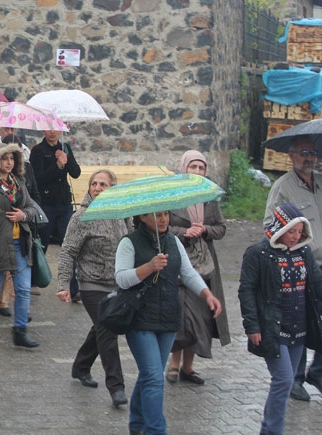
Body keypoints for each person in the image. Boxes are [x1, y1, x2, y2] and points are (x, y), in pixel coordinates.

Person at [115, 210, 222, 435]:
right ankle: (156, 430)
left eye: (165, 214)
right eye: (157, 215)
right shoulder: (129, 242)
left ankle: (136, 425)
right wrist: (149, 267)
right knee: (154, 378)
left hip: (168, 319)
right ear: (142, 217)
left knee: (148, 375)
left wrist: (207, 294)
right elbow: (122, 279)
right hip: (140, 320)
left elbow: (188, 273)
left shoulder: (173, 241)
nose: (163, 219)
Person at [240, 204, 322, 435]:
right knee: (284, 379)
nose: (297, 237)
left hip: (300, 328)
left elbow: (316, 283)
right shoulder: (258, 253)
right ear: (279, 228)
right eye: (292, 232)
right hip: (273, 329)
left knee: (284, 384)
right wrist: (251, 326)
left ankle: (268, 430)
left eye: (300, 232)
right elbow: (246, 291)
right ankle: (274, 431)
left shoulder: (303, 252)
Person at [56, 169, 130, 408]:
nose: (97, 188)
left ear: (112, 188)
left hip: (116, 283)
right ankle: (116, 387)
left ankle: (81, 366)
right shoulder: (81, 217)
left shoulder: (121, 214)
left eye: (103, 184)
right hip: (91, 283)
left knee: (101, 327)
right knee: (107, 329)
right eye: (94, 184)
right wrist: (63, 284)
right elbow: (68, 251)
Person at [264, 135, 322, 401]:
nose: (309, 157)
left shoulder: (320, 182)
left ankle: (317, 371)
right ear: (291, 155)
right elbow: (269, 225)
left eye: (313, 152)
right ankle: (295, 378)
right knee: (300, 319)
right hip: (300, 262)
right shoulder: (282, 187)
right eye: (303, 152)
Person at [166, 151, 231, 385]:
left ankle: (188, 367)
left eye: (200, 168)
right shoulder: (172, 196)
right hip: (179, 261)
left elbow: (221, 228)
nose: (196, 171)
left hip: (204, 262)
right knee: (180, 313)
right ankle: (173, 363)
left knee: (200, 315)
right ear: (184, 169)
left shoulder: (209, 197)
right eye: (192, 167)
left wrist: (204, 230)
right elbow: (162, 228)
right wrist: (184, 232)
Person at [0, 143, 40, 347]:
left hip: (20, 241)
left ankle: (20, 331)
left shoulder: (18, 182)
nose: (9, 163)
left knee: (23, 289)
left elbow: (31, 206)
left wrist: (24, 214)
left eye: (12, 158)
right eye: (5, 158)